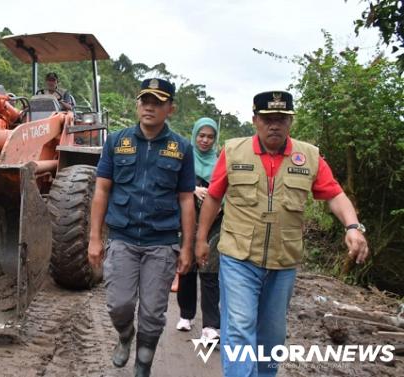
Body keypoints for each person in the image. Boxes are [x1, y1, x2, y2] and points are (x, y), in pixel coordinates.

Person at [195, 91, 369, 376]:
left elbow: (334, 194)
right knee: (239, 328)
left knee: (272, 337)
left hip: (283, 262)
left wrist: (353, 227)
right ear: (255, 121)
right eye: (267, 119)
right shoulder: (234, 151)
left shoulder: (308, 156)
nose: (273, 125)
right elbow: (214, 197)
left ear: (290, 122)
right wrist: (201, 239)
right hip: (239, 258)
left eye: (281, 119)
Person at [88, 78, 196, 376]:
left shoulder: (181, 148)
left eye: (158, 102)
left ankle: (143, 364)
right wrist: (94, 238)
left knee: (152, 313)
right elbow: (101, 191)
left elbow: (187, 200)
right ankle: (125, 335)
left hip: (161, 242)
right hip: (121, 237)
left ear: (170, 109)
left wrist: (187, 247)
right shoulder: (116, 142)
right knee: (119, 304)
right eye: (144, 100)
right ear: (137, 105)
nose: (149, 106)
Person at [175, 117, 221, 345]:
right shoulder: (185, 156)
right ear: (194, 136)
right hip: (188, 220)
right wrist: (192, 189)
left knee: (211, 270)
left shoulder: (220, 161)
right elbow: (172, 182)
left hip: (214, 222)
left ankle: (211, 326)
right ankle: (186, 314)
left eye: (210, 136)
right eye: (201, 135)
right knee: (187, 268)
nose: (205, 140)